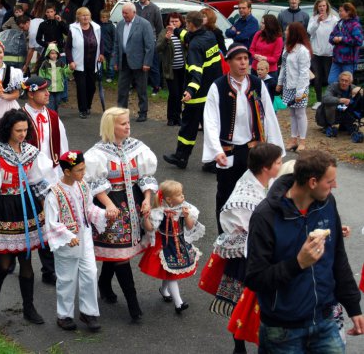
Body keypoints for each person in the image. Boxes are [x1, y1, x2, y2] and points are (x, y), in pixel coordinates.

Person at [245, 150, 364, 351]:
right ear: (312, 182)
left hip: (326, 321)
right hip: (283, 330)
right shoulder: (265, 216)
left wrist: (353, 306)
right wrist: (298, 263)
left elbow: (338, 257)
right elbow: (255, 278)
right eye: (330, 181)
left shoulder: (327, 204)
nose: (335, 186)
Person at [0, 108, 54, 324]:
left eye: (25, 130)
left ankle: (29, 307)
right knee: (5, 264)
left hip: (25, 206)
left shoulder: (31, 152)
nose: (23, 134)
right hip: (2, 207)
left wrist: (49, 211)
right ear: (8, 129)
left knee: (26, 261)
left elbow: (36, 182)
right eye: (18, 130)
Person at [84, 107, 158, 322]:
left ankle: (104, 284)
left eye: (128, 122)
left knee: (119, 253)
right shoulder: (97, 154)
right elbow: (94, 184)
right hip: (113, 208)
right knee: (120, 255)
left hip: (133, 203)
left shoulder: (137, 148)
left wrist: (146, 198)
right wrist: (108, 205)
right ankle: (134, 306)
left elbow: (145, 176)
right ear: (110, 127)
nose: (128, 126)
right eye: (123, 123)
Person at [202, 43, 284, 234]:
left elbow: (269, 116)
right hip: (228, 151)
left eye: (246, 59)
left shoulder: (256, 83)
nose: (243, 63)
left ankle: (254, 237)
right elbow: (210, 121)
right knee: (226, 196)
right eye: (238, 59)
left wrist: (274, 149)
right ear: (228, 62)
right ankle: (224, 239)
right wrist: (216, 150)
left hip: (253, 150)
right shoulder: (218, 86)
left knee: (256, 195)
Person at [210, 143, 283, 354]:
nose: (281, 165)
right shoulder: (245, 198)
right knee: (242, 304)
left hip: (259, 251)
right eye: (278, 162)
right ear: (266, 167)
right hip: (246, 256)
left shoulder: (261, 181)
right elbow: (245, 231)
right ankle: (239, 346)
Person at [45, 150, 108, 332]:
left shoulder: (82, 186)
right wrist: (68, 236)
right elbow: (51, 222)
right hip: (66, 241)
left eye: (84, 169)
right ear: (67, 172)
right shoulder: (54, 193)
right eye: (79, 170)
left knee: (90, 272)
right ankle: (64, 315)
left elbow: (87, 208)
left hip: (84, 235)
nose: (83, 173)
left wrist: (103, 214)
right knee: (67, 278)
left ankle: (89, 312)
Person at [21, 76, 68, 285]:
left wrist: (66, 173)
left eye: (48, 89)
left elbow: (63, 146)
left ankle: (49, 269)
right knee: (28, 223)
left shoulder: (53, 116)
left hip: (52, 177)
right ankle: (14, 255)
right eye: (42, 90)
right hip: (27, 179)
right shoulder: (18, 117)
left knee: (48, 221)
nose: (48, 93)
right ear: (31, 93)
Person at [163, 11, 222, 170]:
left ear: (190, 24)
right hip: (211, 92)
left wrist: (189, 91)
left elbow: (196, 72)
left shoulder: (195, 46)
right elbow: (188, 37)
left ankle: (181, 157)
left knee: (188, 127)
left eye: (186, 24)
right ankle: (214, 161)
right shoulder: (209, 36)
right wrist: (175, 30)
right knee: (211, 129)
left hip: (197, 96)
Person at [139, 180, 204, 315]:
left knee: (169, 271)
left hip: (179, 243)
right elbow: (150, 228)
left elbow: (190, 226)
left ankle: (164, 291)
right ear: (169, 199)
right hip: (164, 244)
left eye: (182, 194)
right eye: (179, 195)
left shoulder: (184, 209)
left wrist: (186, 217)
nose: (183, 196)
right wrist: (145, 219)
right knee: (171, 274)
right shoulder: (158, 213)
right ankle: (178, 303)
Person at [113, 2, 155, 122]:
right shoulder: (120, 24)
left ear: (134, 12)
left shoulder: (144, 24)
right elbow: (116, 44)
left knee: (141, 89)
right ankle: (121, 111)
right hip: (124, 60)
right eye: (123, 13)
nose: (124, 15)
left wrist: (147, 62)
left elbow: (150, 45)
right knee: (122, 88)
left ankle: (143, 112)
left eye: (126, 13)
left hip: (140, 62)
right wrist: (115, 61)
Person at [276, 22, 312, 152]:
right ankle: (293, 140)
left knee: (300, 113)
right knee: (292, 113)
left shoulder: (302, 51)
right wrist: (280, 83)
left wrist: (300, 92)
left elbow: (304, 72)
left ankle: (302, 141)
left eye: (287, 30)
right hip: (288, 85)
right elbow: (284, 66)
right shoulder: (287, 47)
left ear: (294, 33)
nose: (285, 32)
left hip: (299, 87)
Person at [65, 7, 103, 119]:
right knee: (81, 87)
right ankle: (82, 109)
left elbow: (101, 42)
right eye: (83, 15)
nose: (86, 17)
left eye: (87, 15)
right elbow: (67, 48)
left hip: (93, 63)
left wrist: (102, 53)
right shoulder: (73, 28)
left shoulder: (96, 27)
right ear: (78, 17)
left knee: (91, 87)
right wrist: (71, 61)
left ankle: (88, 106)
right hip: (79, 63)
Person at [308, 0, 338, 110]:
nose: (321, 8)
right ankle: (319, 100)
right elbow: (310, 31)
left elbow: (335, 35)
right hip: (316, 53)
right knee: (317, 78)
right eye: (320, 6)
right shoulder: (313, 18)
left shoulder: (334, 19)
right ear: (317, 7)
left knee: (329, 78)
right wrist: (317, 22)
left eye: (323, 6)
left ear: (327, 7)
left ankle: (331, 99)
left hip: (329, 54)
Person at [157, 12, 186, 127]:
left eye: (176, 21)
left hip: (183, 68)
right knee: (174, 93)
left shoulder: (183, 33)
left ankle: (178, 117)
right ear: (167, 22)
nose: (173, 23)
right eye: (171, 21)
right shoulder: (164, 32)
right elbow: (158, 48)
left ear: (180, 22)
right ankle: (171, 117)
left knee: (180, 94)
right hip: (170, 69)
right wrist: (165, 39)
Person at [135, 0, 164, 95]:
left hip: (151, 40)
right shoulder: (134, 7)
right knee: (137, 64)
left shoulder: (154, 8)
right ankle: (137, 84)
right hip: (136, 40)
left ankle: (156, 86)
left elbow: (159, 27)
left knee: (153, 65)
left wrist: (156, 41)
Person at [316, 71, 363, 135]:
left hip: (343, 111)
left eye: (346, 81)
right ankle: (328, 125)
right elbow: (324, 98)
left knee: (356, 106)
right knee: (331, 105)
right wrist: (340, 100)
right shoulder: (333, 86)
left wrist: (360, 90)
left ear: (350, 83)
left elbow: (361, 94)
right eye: (342, 80)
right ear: (339, 80)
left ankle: (345, 124)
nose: (343, 82)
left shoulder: (352, 88)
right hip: (327, 114)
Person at [249, 14, 283, 99]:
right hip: (255, 69)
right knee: (255, 96)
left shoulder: (278, 39)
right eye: (261, 22)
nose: (261, 24)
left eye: (263, 23)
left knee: (268, 97)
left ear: (269, 25)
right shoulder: (258, 34)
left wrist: (264, 58)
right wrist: (255, 56)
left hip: (270, 72)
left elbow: (275, 58)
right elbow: (251, 49)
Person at [328, 2, 363, 84]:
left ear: (348, 12)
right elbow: (331, 37)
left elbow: (359, 41)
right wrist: (334, 39)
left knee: (345, 83)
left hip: (348, 61)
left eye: (341, 11)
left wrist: (342, 39)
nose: (339, 13)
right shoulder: (339, 23)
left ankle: (346, 97)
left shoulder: (355, 25)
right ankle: (336, 96)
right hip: (337, 59)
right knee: (331, 81)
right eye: (339, 11)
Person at [39, 43, 72, 112]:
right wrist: (43, 83)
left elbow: (65, 72)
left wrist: (70, 69)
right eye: (52, 53)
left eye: (55, 53)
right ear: (48, 54)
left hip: (58, 87)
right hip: (49, 88)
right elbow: (41, 74)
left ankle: (54, 113)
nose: (54, 55)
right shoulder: (45, 63)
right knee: (50, 102)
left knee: (57, 102)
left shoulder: (60, 63)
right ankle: (51, 114)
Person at [100, 10, 116, 83]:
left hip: (110, 49)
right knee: (102, 63)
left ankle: (110, 76)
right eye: (102, 17)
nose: (103, 19)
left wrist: (114, 50)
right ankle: (101, 74)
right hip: (102, 49)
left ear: (108, 18)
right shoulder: (99, 26)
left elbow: (115, 39)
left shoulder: (111, 27)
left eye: (105, 17)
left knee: (110, 64)